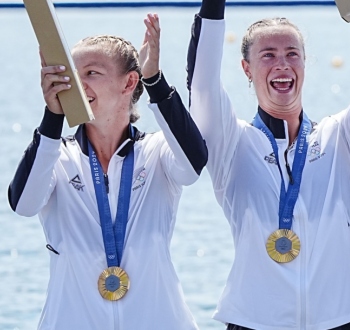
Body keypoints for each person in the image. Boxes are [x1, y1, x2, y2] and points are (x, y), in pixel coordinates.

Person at [186, 0, 350, 328]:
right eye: (268, 55)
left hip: (342, 318)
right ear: (246, 68)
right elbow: (201, 86)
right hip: (256, 321)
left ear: (305, 63)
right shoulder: (230, 142)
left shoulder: (343, 137)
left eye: (292, 53)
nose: (282, 64)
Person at [8, 14, 206, 329]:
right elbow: (23, 204)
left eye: (92, 73)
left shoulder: (156, 152)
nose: (76, 83)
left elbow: (194, 163)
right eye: (73, 73)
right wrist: (52, 115)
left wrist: (153, 79)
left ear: (129, 82)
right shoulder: (56, 156)